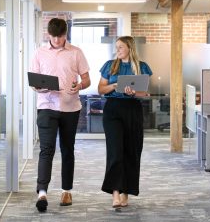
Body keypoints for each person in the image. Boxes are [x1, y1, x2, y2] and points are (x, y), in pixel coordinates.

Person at [30, 18, 90, 212]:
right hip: (47, 105)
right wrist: (39, 86)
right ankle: (42, 193)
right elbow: (33, 82)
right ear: (48, 34)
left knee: (67, 149)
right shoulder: (39, 53)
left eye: (60, 36)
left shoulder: (76, 52)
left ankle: (66, 190)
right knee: (46, 149)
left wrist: (79, 85)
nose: (56, 40)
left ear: (66, 34)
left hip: (70, 108)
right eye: (53, 36)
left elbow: (87, 79)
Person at [98, 36, 152, 208]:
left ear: (130, 47)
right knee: (115, 151)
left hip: (133, 109)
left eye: (120, 47)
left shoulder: (141, 67)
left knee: (131, 151)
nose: (118, 50)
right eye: (116, 47)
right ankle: (115, 193)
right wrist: (115, 85)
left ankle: (125, 194)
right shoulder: (110, 65)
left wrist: (133, 92)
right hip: (113, 109)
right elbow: (101, 89)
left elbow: (145, 93)